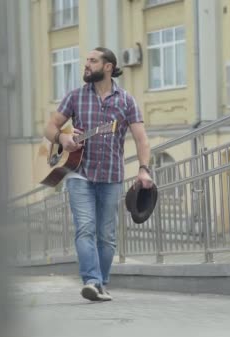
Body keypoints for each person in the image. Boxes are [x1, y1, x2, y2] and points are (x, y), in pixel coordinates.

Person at [44, 47, 153, 301]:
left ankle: (100, 284)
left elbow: (141, 139)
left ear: (107, 66)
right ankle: (91, 281)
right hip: (79, 173)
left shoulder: (126, 101)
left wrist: (144, 170)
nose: (87, 65)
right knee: (85, 228)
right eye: (86, 61)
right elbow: (50, 128)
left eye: (92, 61)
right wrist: (62, 138)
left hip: (111, 175)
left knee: (107, 236)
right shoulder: (75, 97)